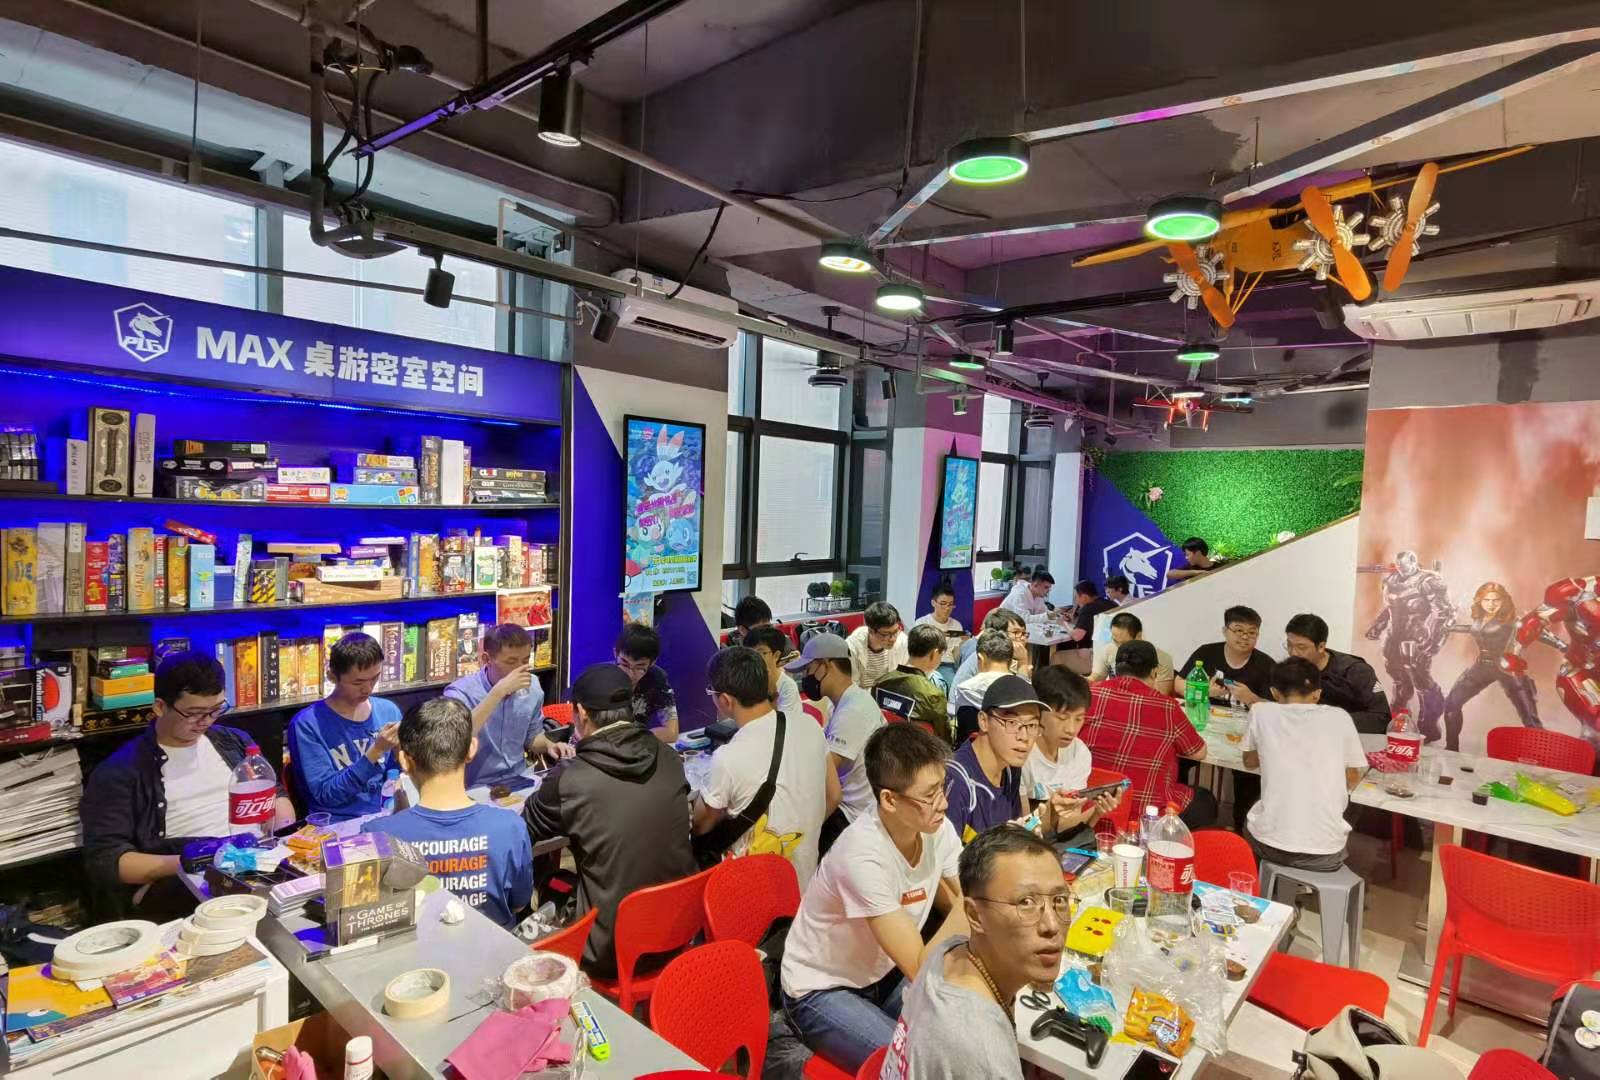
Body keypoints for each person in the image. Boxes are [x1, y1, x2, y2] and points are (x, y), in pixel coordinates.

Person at [780, 724, 968, 1072]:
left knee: (961, 1032)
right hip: (821, 988)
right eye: (929, 796)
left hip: (883, 974)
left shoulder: (936, 828)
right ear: (889, 800)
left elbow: (969, 892)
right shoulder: (862, 855)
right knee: (912, 1063)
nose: (942, 804)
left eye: (943, 787)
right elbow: (919, 965)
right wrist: (970, 903)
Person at [82, 651, 295, 920]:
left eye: (216, 710)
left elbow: (275, 794)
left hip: (257, 859)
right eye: (194, 714)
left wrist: (283, 834)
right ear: (160, 707)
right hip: (182, 874)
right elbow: (107, 861)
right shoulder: (121, 771)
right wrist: (199, 860)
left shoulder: (235, 741)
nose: (206, 721)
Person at [522, 664, 697, 977]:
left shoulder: (571, 778)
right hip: (678, 928)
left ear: (581, 713)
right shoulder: (669, 757)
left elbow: (526, 830)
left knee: (546, 876)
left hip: (609, 948)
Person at [882, 827, 1066, 1080]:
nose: (1052, 925)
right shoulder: (982, 1051)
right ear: (975, 916)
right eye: (1026, 902)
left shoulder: (950, 949)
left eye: (1059, 900)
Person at [363, 697, 532, 928]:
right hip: (495, 947)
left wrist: (397, 819)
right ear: (471, 749)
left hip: (416, 950)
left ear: (404, 760)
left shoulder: (375, 836)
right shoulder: (511, 826)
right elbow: (519, 905)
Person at [693, 648, 835, 886]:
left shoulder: (728, 758)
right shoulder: (810, 726)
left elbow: (701, 824)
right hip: (805, 882)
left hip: (752, 890)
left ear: (725, 700)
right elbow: (834, 795)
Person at [1241, 659, 1369, 872]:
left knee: (1253, 815)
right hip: (1326, 855)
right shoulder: (1340, 717)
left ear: (1274, 692)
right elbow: (1353, 777)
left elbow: (1249, 762)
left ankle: (1260, 877)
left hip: (1269, 847)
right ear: (1317, 693)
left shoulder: (1261, 712)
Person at [1081, 641, 1216, 828]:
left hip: (1089, 805)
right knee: (1205, 801)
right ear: (1154, 672)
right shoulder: (1167, 707)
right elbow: (1198, 752)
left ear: (1116, 668)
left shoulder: (1089, 695)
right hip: (1144, 813)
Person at [288, 632, 402, 822]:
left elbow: (400, 776)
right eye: (357, 682)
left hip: (385, 815)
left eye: (374, 678)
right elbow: (326, 795)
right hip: (337, 822)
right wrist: (375, 752)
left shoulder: (388, 711)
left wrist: (404, 755)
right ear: (332, 677)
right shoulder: (308, 724)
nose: (368, 689)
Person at [443, 623, 573, 788]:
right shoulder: (459, 693)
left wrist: (550, 745)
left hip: (519, 777)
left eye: (525, 661)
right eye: (511, 661)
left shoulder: (533, 687)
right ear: (486, 659)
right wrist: (498, 692)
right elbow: (456, 742)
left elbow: (532, 738)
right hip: (474, 785)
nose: (520, 669)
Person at [787, 634, 882, 850]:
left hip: (852, 815)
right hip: (848, 805)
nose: (806, 677)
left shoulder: (855, 710)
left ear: (825, 665)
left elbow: (822, 772)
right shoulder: (843, 702)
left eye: (809, 669)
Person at [1441, 582, 1540, 752]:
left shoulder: (1512, 621)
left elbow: (1539, 633)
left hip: (1508, 668)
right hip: (1483, 666)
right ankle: (1451, 749)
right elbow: (1475, 630)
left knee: (1530, 719)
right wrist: (1451, 628)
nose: (1491, 604)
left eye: (1496, 600)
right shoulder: (1480, 619)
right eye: (1486, 600)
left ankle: (1540, 758)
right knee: (1451, 704)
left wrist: (1562, 646)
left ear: (1504, 601)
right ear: (1480, 601)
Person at [1024, 666, 1118, 843]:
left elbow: (1066, 826)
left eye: (1079, 719)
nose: (1071, 729)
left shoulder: (1079, 753)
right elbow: (1022, 831)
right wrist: (1050, 812)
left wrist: (1096, 811)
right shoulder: (1022, 753)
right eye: (1062, 718)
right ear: (1038, 711)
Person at [945, 675, 1040, 843]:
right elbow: (945, 857)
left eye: (1032, 725)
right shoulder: (956, 780)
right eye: (1012, 722)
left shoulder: (1010, 768)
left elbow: (1010, 836)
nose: (1024, 737)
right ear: (983, 721)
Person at [1285, 613, 1393, 734]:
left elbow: (1382, 718)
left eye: (1301, 647)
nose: (1293, 653)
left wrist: (1330, 721)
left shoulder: (1355, 670)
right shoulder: (1292, 669)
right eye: (1289, 645)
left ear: (1321, 646)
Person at [1180, 606, 1276, 707]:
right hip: (1205, 713)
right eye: (1239, 630)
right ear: (1225, 631)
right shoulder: (1206, 652)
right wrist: (1203, 691)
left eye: (1252, 632)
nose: (1245, 637)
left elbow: (1277, 707)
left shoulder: (1267, 665)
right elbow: (1178, 683)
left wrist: (1251, 698)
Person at [873, 624, 951, 738]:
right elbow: (943, 736)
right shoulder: (933, 695)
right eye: (941, 654)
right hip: (917, 747)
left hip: (883, 743)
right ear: (934, 654)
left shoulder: (880, 683)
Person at [615, 623, 678, 742]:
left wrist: (630, 739)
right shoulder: (600, 678)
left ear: (652, 663)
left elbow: (671, 733)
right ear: (615, 653)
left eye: (639, 667)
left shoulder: (656, 678)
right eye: (624, 664)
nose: (630, 674)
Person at [1089, 612, 1175, 693]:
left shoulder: (1162, 658)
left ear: (1138, 636)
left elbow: (1161, 695)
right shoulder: (1109, 650)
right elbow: (1095, 679)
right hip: (1117, 699)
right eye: (1115, 641)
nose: (1119, 647)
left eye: (1124, 643)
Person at [952, 608, 1030, 686]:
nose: (1023, 638)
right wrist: (1023, 663)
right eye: (1016, 632)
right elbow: (1018, 691)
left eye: (1024, 633)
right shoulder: (990, 656)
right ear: (999, 635)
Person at [846, 602, 909, 690]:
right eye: (885, 634)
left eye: (896, 631)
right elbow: (851, 686)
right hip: (861, 695)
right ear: (871, 631)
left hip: (889, 693)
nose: (892, 638)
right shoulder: (852, 647)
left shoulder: (903, 641)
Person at [914, 582, 966, 684]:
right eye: (943, 603)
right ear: (933, 603)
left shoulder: (957, 625)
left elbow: (955, 654)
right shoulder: (922, 623)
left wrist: (963, 646)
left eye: (950, 604)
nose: (947, 608)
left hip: (947, 665)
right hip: (926, 663)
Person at [746, 624, 802, 717]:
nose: (753, 658)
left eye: (761, 653)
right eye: (749, 653)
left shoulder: (788, 688)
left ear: (776, 655)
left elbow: (784, 723)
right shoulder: (747, 680)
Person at [1062, 579, 1116, 651]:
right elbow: (1089, 625)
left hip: (1094, 652)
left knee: (1055, 655)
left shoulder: (1088, 608)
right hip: (1113, 649)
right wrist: (1073, 621)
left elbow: (1077, 636)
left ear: (1084, 597)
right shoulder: (1111, 604)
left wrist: (1064, 623)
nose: (1076, 601)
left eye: (1076, 597)